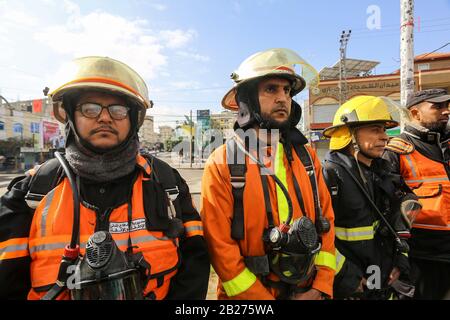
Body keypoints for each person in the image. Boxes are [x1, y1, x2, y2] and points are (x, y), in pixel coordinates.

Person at [0, 56, 210, 300]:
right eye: (90, 108)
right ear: (70, 115)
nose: (105, 118)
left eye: (118, 110)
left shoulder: (166, 182)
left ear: (133, 119)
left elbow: (194, 266)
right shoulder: (30, 192)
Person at [201, 48, 336, 300]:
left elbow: (325, 221)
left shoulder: (307, 156)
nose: (283, 98)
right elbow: (220, 249)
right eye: (271, 89)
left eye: (287, 91)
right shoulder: (222, 162)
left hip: (308, 292)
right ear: (247, 100)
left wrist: (320, 286)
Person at [322, 96, 415, 300]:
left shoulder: (384, 173)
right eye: (375, 129)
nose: (384, 137)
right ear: (349, 134)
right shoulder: (329, 176)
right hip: (350, 288)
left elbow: (399, 224)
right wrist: (348, 278)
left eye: (384, 130)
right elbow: (318, 239)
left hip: (384, 283)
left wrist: (400, 262)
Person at [383, 88, 450, 300]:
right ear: (415, 113)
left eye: (447, 106)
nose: (446, 111)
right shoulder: (396, 151)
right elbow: (385, 207)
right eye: (437, 106)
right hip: (422, 257)